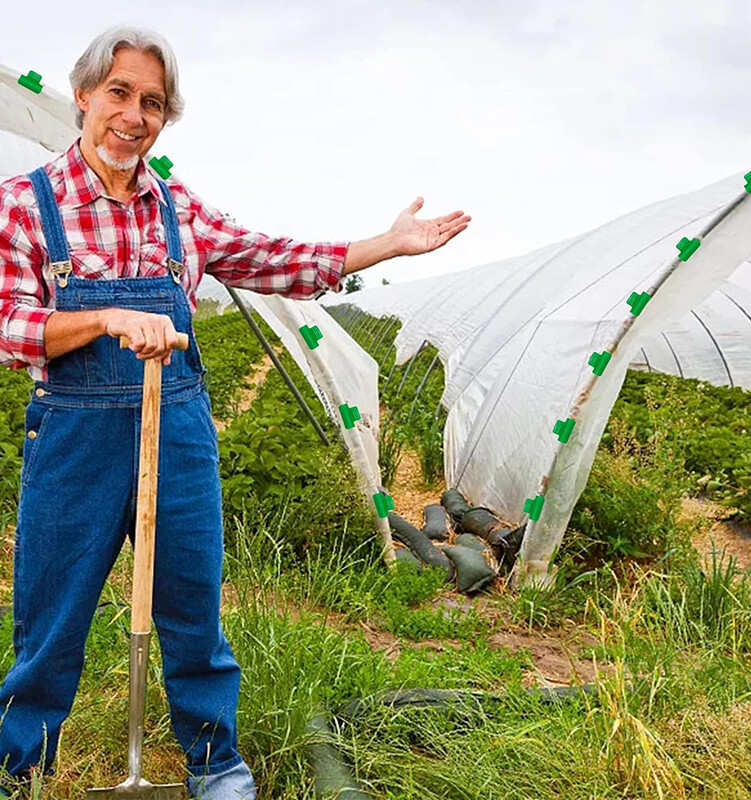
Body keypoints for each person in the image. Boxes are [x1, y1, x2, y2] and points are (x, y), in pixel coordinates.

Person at [0, 24, 470, 799]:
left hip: (176, 427)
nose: (134, 115)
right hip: (75, 431)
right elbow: (11, 326)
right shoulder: (24, 206)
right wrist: (106, 319)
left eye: (153, 102)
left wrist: (384, 246)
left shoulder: (177, 211)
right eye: (119, 92)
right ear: (83, 96)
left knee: (191, 603)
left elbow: (272, 256)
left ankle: (214, 763)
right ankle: (21, 767)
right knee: (50, 615)